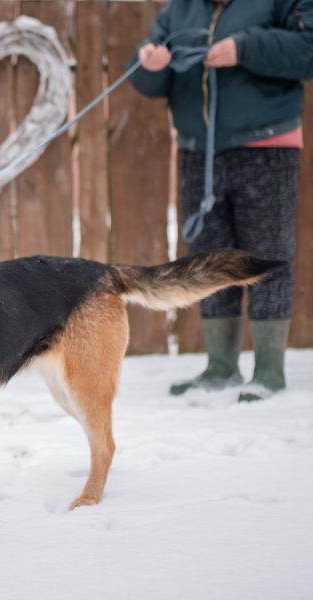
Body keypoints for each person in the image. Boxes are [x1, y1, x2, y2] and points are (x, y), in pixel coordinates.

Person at [129, 0, 313, 401]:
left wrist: (245, 48)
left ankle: (269, 371)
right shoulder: (181, 9)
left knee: (267, 255)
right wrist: (150, 62)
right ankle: (221, 367)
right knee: (209, 259)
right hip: (199, 153)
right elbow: (146, 75)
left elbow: (308, 49)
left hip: (268, 146)